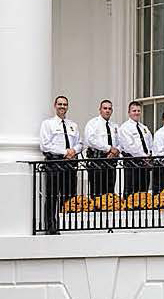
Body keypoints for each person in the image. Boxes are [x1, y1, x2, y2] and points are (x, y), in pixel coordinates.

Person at [37, 96, 80, 224]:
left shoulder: (73, 125)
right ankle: (51, 225)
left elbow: (80, 143)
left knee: (69, 196)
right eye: (60, 104)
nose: (62, 106)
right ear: (55, 106)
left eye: (65, 104)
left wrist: (74, 151)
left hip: (70, 164)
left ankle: (66, 224)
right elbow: (45, 145)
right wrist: (65, 152)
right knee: (52, 196)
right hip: (54, 163)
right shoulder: (48, 124)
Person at [82, 99, 121, 197]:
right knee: (97, 192)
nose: (107, 111)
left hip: (111, 161)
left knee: (110, 192)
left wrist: (115, 151)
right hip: (97, 161)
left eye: (109, 109)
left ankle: (108, 211)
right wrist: (109, 148)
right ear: (100, 110)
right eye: (105, 108)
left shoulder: (114, 126)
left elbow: (120, 142)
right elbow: (90, 140)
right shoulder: (93, 123)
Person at [116, 101, 154, 197]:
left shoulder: (144, 128)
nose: (136, 113)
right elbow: (129, 147)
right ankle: (130, 209)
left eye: (138, 111)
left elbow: (150, 142)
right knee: (131, 191)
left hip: (145, 163)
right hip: (132, 162)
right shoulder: (125, 128)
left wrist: (149, 155)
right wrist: (144, 157)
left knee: (143, 189)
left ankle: (142, 208)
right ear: (129, 112)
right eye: (134, 111)